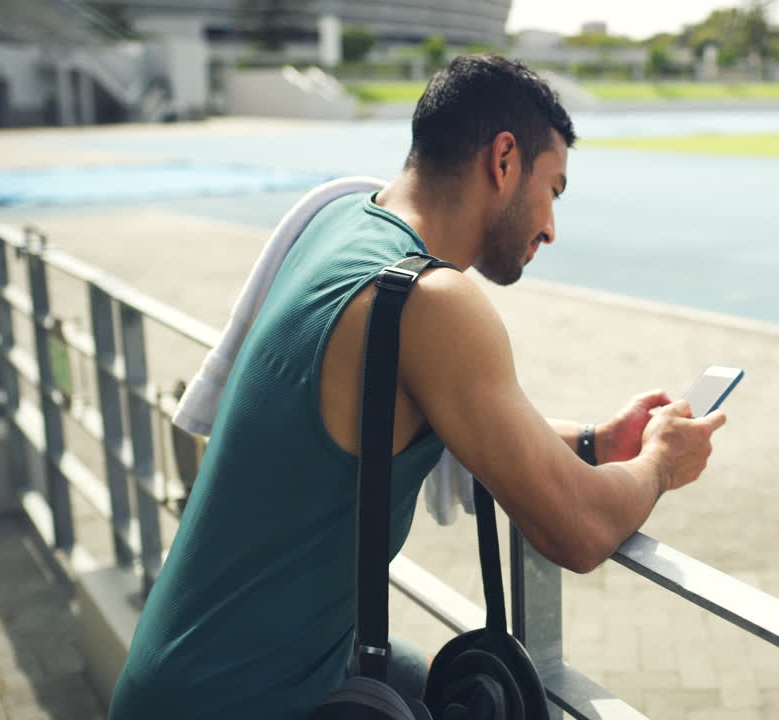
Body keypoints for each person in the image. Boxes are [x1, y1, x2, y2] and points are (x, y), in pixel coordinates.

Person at [108, 54, 727, 719]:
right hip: (240, 702)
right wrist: (661, 463)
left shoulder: (341, 225)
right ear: (504, 159)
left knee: (425, 675)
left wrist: (598, 440)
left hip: (174, 677)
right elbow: (578, 528)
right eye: (554, 190)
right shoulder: (432, 304)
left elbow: (440, 416)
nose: (550, 226)